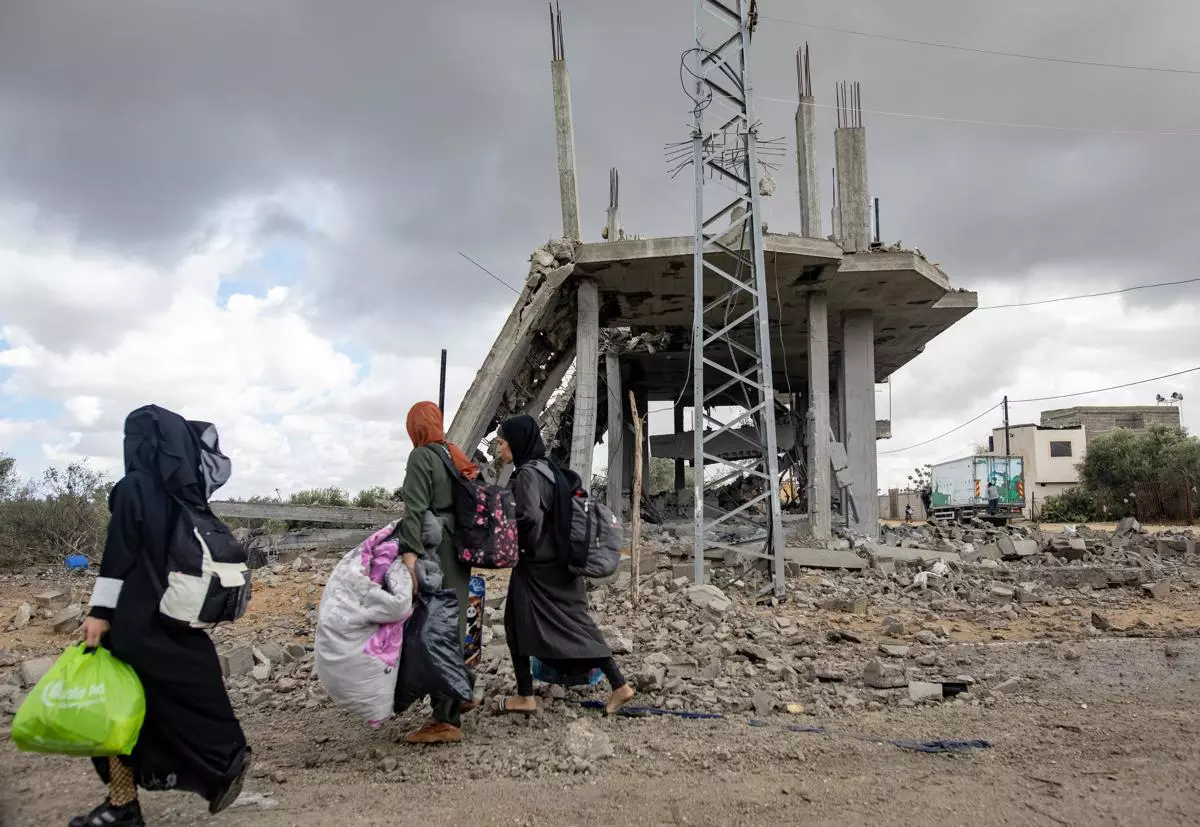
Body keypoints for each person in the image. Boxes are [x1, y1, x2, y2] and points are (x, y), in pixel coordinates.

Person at [75, 405, 251, 827]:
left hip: (134, 619)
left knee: (115, 707)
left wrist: (99, 612)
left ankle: (123, 804)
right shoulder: (185, 494)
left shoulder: (133, 487)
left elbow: (119, 554)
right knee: (188, 685)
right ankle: (225, 758)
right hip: (176, 613)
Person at [494, 414, 635, 717]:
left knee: (515, 624)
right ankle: (619, 685)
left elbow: (530, 517)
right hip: (562, 560)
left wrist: (520, 549)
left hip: (538, 566)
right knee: (576, 623)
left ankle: (525, 696)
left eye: (502, 443)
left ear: (517, 442)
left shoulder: (527, 474)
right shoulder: (547, 468)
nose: (499, 449)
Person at [396, 401, 479, 744]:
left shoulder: (422, 457)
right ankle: (461, 692)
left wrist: (409, 559)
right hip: (458, 547)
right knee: (454, 621)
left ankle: (445, 719)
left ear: (414, 428)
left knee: (435, 627)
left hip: (436, 550)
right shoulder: (452, 454)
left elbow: (414, 509)